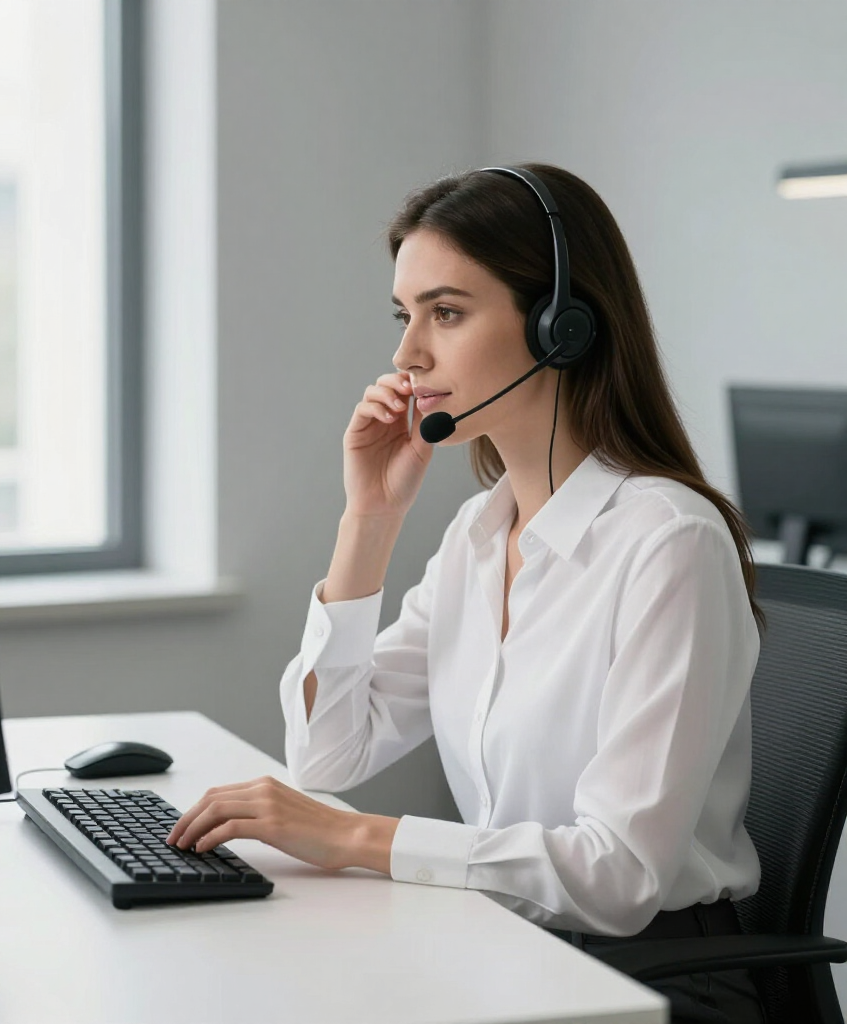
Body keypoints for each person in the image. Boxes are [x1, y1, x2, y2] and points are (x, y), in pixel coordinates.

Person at [167, 164, 767, 1023]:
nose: (407, 355)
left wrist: (350, 838)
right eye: (404, 316)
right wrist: (368, 518)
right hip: (506, 950)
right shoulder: (481, 536)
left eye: (445, 313)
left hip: (653, 983)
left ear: (563, 326)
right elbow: (328, 755)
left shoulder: (668, 544)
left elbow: (618, 877)